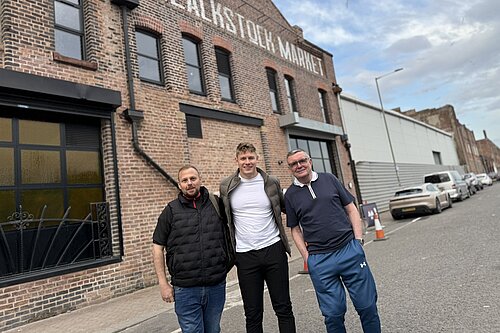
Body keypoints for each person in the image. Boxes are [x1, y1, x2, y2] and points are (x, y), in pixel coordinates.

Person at [284, 149, 381, 333]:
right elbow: (295, 229)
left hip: (349, 250)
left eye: (302, 160)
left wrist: (358, 240)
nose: (299, 165)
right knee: (333, 315)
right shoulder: (290, 195)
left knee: (367, 306)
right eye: (293, 164)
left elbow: (351, 209)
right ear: (290, 168)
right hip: (320, 260)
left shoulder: (329, 179)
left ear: (310, 161)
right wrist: (308, 259)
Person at [219, 142, 296, 333]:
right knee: (252, 313)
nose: (247, 162)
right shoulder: (226, 186)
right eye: (243, 158)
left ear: (257, 158)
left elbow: (287, 208)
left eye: (251, 158)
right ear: (236, 160)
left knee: (283, 307)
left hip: (273, 249)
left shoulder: (271, 182)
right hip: (245, 255)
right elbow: (223, 219)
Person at [152, 165, 233, 333]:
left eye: (193, 178)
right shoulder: (170, 211)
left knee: (213, 330)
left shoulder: (216, 204)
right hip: (185, 289)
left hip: (216, 285)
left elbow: (233, 230)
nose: (189, 183)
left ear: (200, 180)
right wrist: (163, 284)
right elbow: (157, 247)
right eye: (184, 180)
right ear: (180, 184)